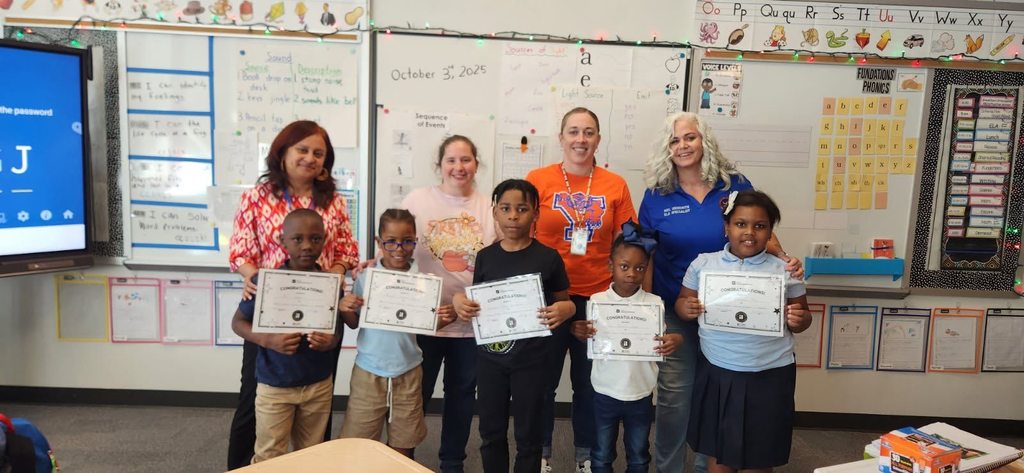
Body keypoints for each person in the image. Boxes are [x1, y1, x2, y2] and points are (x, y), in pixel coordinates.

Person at [638, 112, 800, 473]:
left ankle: (705, 467)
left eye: (689, 137)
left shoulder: (734, 185)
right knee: (675, 399)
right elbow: (646, 256)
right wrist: (649, 313)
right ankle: (668, 469)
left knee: (715, 398)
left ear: (704, 140)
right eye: (674, 140)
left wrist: (787, 263)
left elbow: (760, 230)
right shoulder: (657, 194)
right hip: (676, 310)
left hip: (732, 316)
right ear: (666, 150)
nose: (682, 146)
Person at [227, 120, 359, 470]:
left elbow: (347, 250)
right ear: (282, 153)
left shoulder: (334, 202)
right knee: (254, 398)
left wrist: (335, 274)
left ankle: (312, 464)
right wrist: (257, 281)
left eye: (318, 153)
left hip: (321, 307)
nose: (310, 158)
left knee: (318, 395)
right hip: (270, 309)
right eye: (302, 150)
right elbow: (240, 252)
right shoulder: (256, 197)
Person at [526, 107, 636, 473]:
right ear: (560, 138)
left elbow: (629, 242)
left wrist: (637, 300)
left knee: (590, 384)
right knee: (541, 382)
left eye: (589, 132)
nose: (581, 139)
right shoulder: (538, 179)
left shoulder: (615, 184)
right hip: (548, 296)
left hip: (597, 298)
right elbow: (520, 235)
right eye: (573, 131)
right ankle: (539, 453)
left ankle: (586, 455)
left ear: (598, 140)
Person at [676, 190, 810, 473]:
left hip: (770, 373)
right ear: (726, 228)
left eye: (760, 226)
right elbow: (681, 302)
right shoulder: (703, 264)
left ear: (770, 232)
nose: (750, 232)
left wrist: (798, 319)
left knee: (759, 459)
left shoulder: (785, 270)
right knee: (718, 457)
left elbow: (803, 314)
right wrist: (685, 308)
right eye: (740, 224)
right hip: (719, 371)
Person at [453, 179, 575, 473]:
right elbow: (476, 302)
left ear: (535, 213)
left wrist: (564, 309)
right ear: (494, 212)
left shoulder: (548, 257)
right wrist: (460, 301)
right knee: (490, 432)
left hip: (532, 361)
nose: (513, 216)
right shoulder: (485, 257)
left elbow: (567, 302)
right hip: (491, 360)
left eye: (522, 209)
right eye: (505, 208)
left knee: (528, 435)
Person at [401, 135, 498, 473]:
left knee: (461, 397)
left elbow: (499, 265)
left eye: (466, 160)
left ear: (476, 164)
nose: (459, 167)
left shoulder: (489, 206)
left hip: (473, 323)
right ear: (439, 165)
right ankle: (402, 457)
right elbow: (398, 254)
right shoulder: (418, 201)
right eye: (452, 160)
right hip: (426, 320)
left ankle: (452, 461)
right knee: (414, 396)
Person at [230, 209, 343, 463]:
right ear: (282, 242)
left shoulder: (330, 282)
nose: (307, 246)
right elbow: (238, 323)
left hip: (317, 385)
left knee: (312, 455)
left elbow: (336, 327)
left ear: (324, 240)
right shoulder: (265, 281)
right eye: (297, 239)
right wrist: (268, 340)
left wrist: (331, 341)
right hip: (274, 385)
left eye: (315, 239)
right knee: (270, 455)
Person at [570, 221, 683, 473]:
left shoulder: (655, 304)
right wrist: (577, 330)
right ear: (611, 266)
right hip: (604, 392)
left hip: (641, 393)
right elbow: (587, 336)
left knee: (639, 455)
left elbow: (666, 338)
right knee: (600, 455)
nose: (631, 273)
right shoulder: (597, 302)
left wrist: (676, 340)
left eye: (639, 268)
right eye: (624, 266)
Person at [337, 209, 449, 458]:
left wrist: (444, 320)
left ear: (415, 241)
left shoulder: (423, 282)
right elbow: (354, 324)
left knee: (403, 443)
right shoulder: (365, 278)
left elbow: (425, 326)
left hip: (407, 371)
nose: (399, 248)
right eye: (391, 241)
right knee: (358, 444)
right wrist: (346, 308)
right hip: (369, 371)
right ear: (379, 243)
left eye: (407, 241)